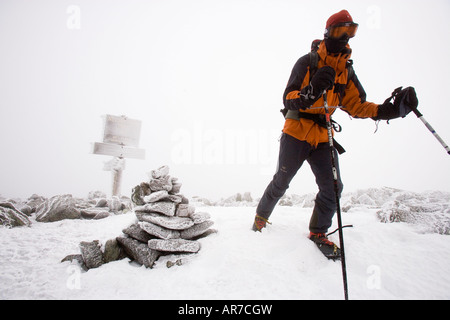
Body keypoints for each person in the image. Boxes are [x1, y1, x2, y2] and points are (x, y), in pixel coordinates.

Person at [252, 10, 418, 260]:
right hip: (296, 131)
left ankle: (318, 232)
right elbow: (288, 98)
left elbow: (357, 106)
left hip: (322, 135)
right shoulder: (306, 62)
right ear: (328, 32)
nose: (346, 36)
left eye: (351, 31)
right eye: (341, 30)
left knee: (333, 187)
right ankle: (260, 220)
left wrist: (391, 110)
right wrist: (310, 92)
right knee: (281, 181)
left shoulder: (347, 72)